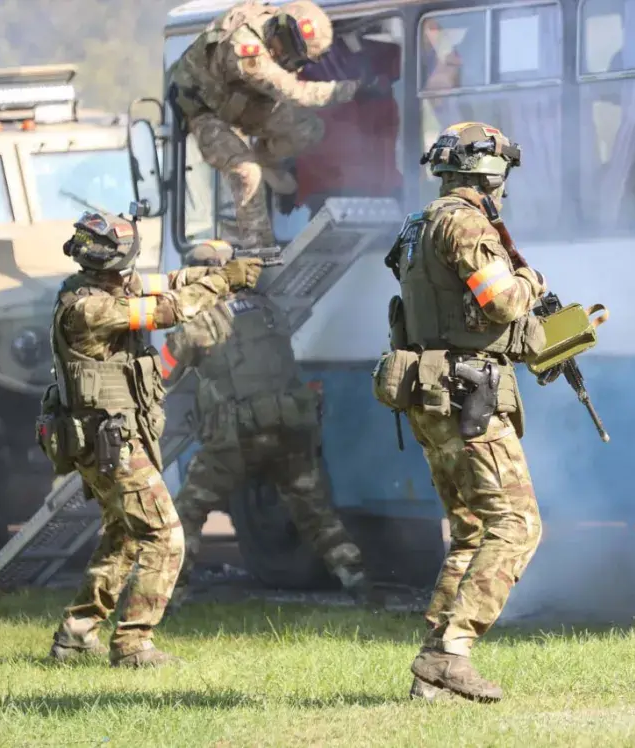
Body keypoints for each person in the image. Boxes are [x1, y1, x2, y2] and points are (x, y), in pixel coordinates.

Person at [38, 210, 264, 668]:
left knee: (124, 534)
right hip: (107, 440)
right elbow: (170, 309)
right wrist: (226, 283)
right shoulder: (91, 308)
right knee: (165, 536)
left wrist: (222, 272)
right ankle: (134, 644)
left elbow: (171, 280)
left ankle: (76, 636)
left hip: (104, 437)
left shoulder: (98, 287)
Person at [376, 123, 547, 703]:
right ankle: (452, 653)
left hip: (431, 392)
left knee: (471, 529)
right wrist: (531, 278)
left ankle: (434, 665)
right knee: (517, 524)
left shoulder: (420, 224)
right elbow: (500, 300)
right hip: (465, 395)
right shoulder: (467, 222)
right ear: (490, 173)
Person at [160, 240, 373, 611]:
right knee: (315, 512)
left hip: (236, 439)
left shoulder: (203, 319)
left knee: (186, 514)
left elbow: (162, 372)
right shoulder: (267, 308)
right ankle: (358, 582)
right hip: (289, 429)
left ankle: (168, 596)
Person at [166, 0, 392, 250]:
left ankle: (265, 160)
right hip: (203, 109)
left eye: (295, 55)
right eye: (287, 47)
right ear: (278, 29)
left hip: (241, 99)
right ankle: (258, 250)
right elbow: (296, 92)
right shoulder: (246, 49)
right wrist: (356, 89)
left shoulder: (275, 23)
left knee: (308, 129)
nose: (285, 55)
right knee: (247, 172)